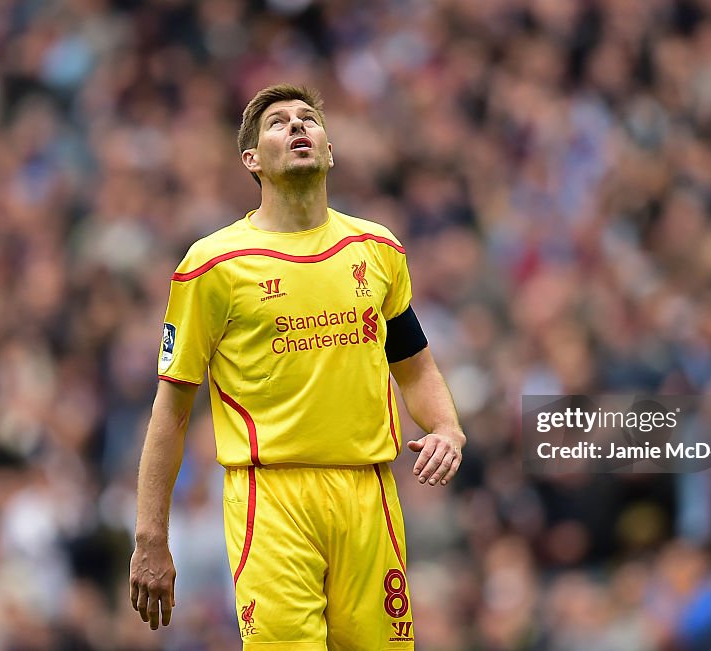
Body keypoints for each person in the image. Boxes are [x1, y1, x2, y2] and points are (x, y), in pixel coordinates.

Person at [128, 83, 466, 650]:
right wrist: (150, 538)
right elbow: (172, 411)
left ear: (330, 150)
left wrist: (447, 428)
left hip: (369, 493)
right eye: (278, 123)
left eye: (308, 118)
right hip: (272, 498)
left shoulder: (377, 249)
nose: (298, 126)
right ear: (251, 161)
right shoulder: (212, 265)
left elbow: (416, 366)